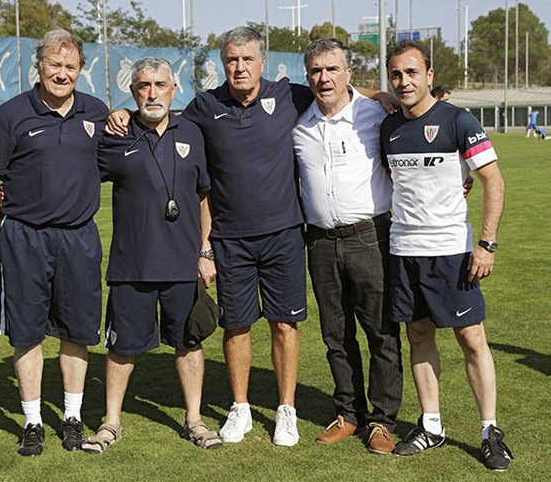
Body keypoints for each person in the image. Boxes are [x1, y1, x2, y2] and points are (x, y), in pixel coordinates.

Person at [108, 27, 395, 447]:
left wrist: (379, 94)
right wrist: (123, 112)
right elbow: (160, 110)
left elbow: (334, 87)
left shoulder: (288, 95)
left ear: (263, 63)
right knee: (237, 326)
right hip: (230, 238)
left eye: (247, 59)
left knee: (285, 324)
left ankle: (286, 410)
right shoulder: (206, 106)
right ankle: (240, 407)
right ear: (223, 64)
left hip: (284, 234)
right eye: (231, 60)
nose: (239, 67)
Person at [0, 29, 109, 457]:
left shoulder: (96, 112)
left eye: (70, 66)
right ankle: (32, 422)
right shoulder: (10, 114)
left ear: (81, 69)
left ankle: (72, 417)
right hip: (24, 238)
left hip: (79, 237)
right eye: (54, 64)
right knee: (27, 332)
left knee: (77, 331)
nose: (62, 74)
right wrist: (1, 227)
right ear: (40, 65)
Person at [380, 40, 513, 471]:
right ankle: (431, 426)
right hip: (404, 250)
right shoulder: (388, 128)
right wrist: (376, 94)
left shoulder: (458, 120)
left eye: (412, 72)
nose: (404, 81)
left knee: (471, 338)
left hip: (452, 251)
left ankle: (490, 431)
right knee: (418, 335)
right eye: (396, 74)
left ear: (430, 75)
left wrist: (486, 244)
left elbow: (493, 180)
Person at [80, 57, 222, 453]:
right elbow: (76, 167)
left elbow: (204, 196)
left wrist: (205, 250)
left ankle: (194, 420)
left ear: (174, 90)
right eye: (144, 85)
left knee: (189, 344)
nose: (152, 93)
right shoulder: (115, 135)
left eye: (160, 85)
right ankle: (111, 423)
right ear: (133, 91)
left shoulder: (192, 132)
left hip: (183, 263)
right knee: (122, 347)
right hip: (132, 265)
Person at [292, 38, 403, 453]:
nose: (324, 78)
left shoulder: (377, 113)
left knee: (381, 332)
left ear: (348, 74)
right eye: (316, 70)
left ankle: (382, 421)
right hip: (319, 242)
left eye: (332, 69)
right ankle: (349, 413)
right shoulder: (298, 122)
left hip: (371, 237)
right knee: (335, 334)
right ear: (308, 76)